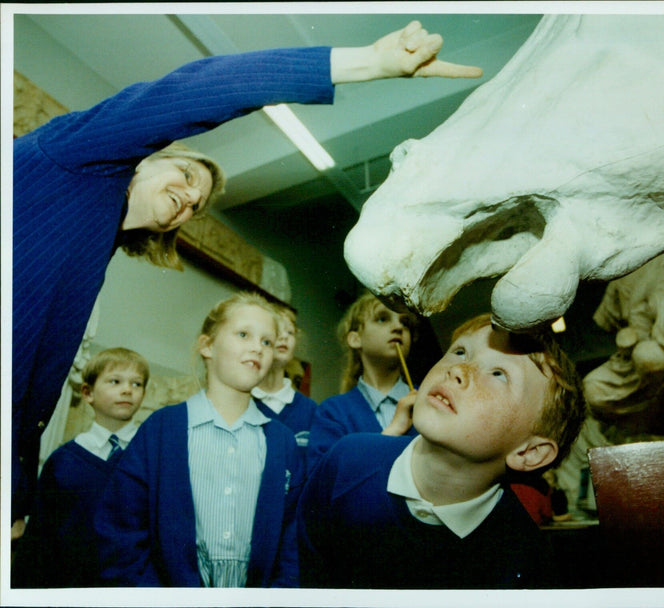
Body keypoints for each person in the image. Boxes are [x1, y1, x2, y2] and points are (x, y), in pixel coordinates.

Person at [11, 21, 483, 536]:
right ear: (145, 158)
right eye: (187, 177)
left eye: (196, 206)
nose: (189, 201)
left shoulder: (92, 247)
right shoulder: (76, 157)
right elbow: (190, 92)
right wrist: (368, 63)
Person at [297, 313, 586, 589]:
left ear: (529, 452)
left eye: (499, 374)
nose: (459, 370)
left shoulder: (526, 560)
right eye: (460, 351)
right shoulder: (347, 459)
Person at [94, 292, 301, 587]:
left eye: (266, 341)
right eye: (244, 334)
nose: (257, 348)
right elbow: (120, 532)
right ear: (207, 346)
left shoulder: (283, 442)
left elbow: (291, 543)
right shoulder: (161, 430)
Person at [12, 348, 149, 588]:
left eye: (137, 384)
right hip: (66, 582)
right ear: (87, 393)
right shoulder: (63, 461)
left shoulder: (151, 457)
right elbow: (40, 538)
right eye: (115, 381)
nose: (128, 390)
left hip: (129, 585)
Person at [306, 292, 419, 472]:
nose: (398, 327)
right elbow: (322, 482)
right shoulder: (332, 413)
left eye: (405, 323)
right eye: (382, 319)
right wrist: (393, 431)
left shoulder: (430, 400)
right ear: (355, 339)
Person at [251, 306, 317, 471]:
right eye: (277, 330)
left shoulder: (311, 410)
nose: (284, 337)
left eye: (290, 332)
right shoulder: (242, 403)